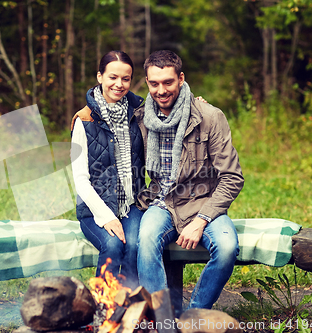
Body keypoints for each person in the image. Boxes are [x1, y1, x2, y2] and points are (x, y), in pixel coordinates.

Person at [136, 50, 245, 309]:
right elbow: (111, 100)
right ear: (147, 82)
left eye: (168, 82)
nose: (161, 90)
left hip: (203, 202)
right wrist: (86, 112)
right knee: (147, 240)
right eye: (154, 83)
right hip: (162, 202)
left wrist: (201, 221)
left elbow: (232, 176)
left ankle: (193, 316)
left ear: (181, 78)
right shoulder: (141, 118)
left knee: (227, 247)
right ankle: (163, 320)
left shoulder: (209, 116)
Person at [70, 51, 145, 288]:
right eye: (113, 77)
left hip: (131, 204)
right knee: (113, 244)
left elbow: (170, 107)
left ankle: (133, 307)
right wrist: (106, 217)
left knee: (135, 245)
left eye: (126, 79)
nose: (119, 84)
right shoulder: (83, 120)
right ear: (100, 76)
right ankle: (105, 311)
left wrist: (197, 103)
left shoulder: (139, 112)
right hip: (95, 209)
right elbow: (80, 179)